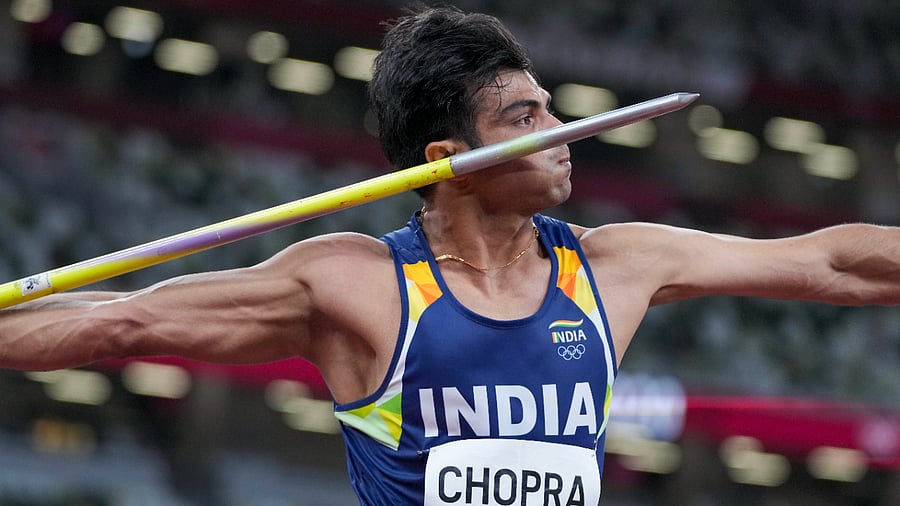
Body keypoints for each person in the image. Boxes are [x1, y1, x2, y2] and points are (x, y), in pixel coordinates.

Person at [2, 5, 899, 505]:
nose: (563, 134)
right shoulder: (352, 282)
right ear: (449, 160)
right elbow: (116, 321)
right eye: (525, 118)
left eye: (552, 109)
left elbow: (833, 264)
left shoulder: (617, 264)